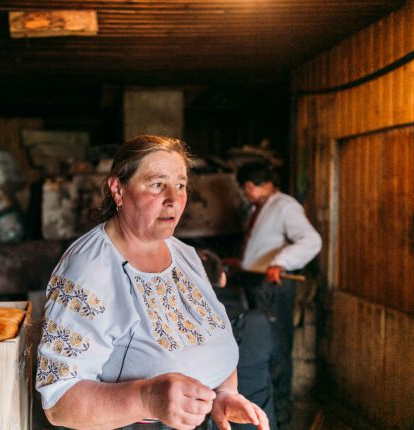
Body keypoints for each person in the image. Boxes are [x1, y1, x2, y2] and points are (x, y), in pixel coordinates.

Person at [36, 135, 269, 430]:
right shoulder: (89, 269)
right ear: (118, 190)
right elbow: (59, 403)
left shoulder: (184, 254)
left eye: (181, 185)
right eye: (157, 184)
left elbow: (210, 332)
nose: (174, 198)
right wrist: (146, 398)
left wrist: (222, 396)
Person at [226, 160, 321, 427]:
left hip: (275, 285)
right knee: (264, 346)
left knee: (277, 347)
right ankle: (265, 408)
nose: (245, 195)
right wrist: (242, 264)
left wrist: (282, 263)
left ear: (249, 186)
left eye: (244, 190)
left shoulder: (285, 206)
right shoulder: (262, 208)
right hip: (257, 281)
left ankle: (281, 411)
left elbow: (312, 241)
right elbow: (262, 247)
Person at [199, 249, 276, 430]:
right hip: (258, 419)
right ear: (223, 278)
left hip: (215, 422)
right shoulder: (258, 322)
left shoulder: (188, 326)